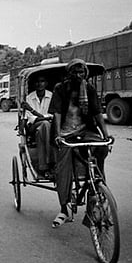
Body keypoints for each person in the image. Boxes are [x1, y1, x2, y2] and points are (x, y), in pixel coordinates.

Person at [48, 58, 111, 228]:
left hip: (86, 130)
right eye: (75, 72)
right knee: (63, 168)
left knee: (100, 153)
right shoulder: (61, 89)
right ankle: (64, 208)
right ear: (69, 74)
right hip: (66, 133)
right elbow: (57, 113)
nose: (79, 75)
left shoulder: (89, 88)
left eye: (81, 72)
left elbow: (97, 113)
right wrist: (59, 134)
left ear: (85, 74)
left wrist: (106, 135)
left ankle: (96, 203)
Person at [23, 75, 54, 179]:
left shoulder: (51, 96)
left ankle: (43, 166)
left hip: (48, 127)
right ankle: (49, 163)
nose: (39, 84)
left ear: (46, 83)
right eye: (37, 82)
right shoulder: (29, 98)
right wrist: (44, 118)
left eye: (42, 81)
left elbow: (53, 115)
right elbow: (32, 119)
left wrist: (34, 112)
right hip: (33, 127)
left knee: (43, 130)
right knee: (45, 125)